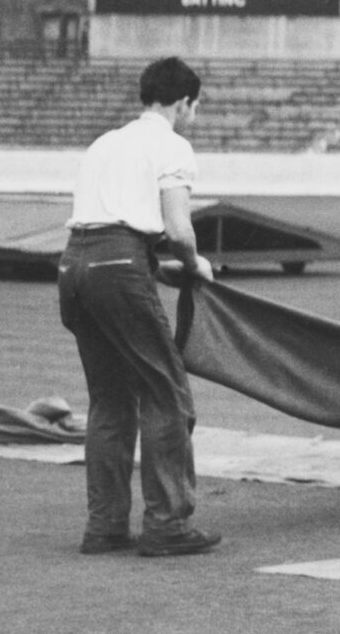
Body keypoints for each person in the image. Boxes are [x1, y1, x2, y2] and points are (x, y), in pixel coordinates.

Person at [57, 55, 220, 557]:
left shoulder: (105, 143)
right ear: (184, 102)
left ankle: (104, 527)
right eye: (195, 106)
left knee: (109, 401)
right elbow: (178, 230)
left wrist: (153, 269)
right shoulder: (173, 146)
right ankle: (167, 525)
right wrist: (194, 264)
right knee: (168, 396)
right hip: (118, 268)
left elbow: (102, 226)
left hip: (73, 268)